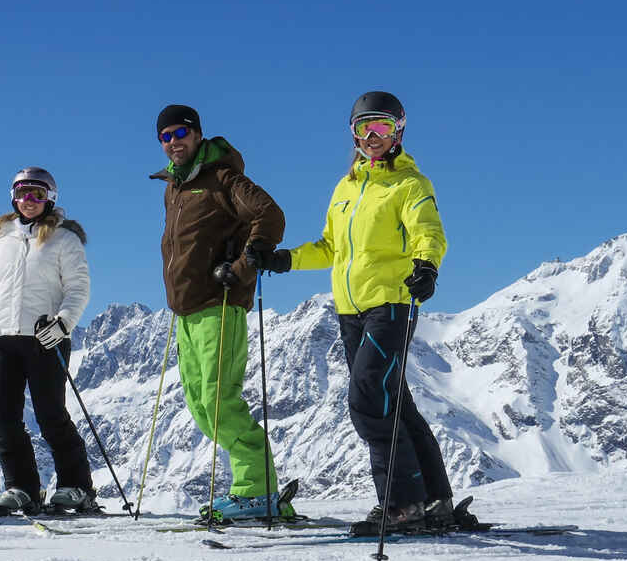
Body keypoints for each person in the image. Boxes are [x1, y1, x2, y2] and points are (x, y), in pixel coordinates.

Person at [251, 90, 460, 528]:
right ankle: (435, 498)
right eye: (364, 127)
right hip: (351, 310)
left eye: (382, 126)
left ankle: (401, 504)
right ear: (353, 133)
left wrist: (427, 267)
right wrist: (285, 259)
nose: (372, 136)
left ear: (399, 131)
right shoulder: (346, 187)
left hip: (392, 303)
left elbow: (429, 232)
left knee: (368, 401)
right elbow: (330, 247)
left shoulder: (410, 185)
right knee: (393, 400)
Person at [150, 104, 294, 523]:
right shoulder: (173, 187)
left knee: (218, 401)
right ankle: (258, 490)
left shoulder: (223, 178)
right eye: (165, 137)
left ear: (196, 135)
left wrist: (243, 266)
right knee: (199, 404)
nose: (173, 142)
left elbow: (269, 215)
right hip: (186, 311)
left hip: (221, 303)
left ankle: (256, 490)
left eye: (180, 133)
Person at [0, 167, 96, 515]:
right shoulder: (1, 240)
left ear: (50, 198)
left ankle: (77, 486)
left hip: (45, 337)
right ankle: (22, 487)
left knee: (50, 414)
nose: (29, 201)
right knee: (4, 417)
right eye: (23, 193)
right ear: (13, 197)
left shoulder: (64, 240)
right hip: (1, 337)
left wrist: (63, 323)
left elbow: (77, 289)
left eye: (37, 194)